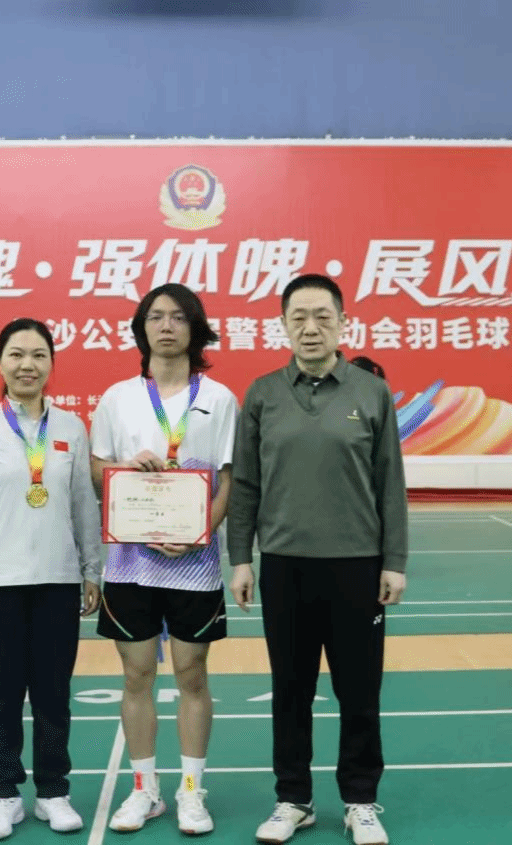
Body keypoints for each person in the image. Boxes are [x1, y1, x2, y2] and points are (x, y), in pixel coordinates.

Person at [226, 274, 409, 845]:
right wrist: (241, 558)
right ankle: (293, 799)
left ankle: (360, 800)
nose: (310, 328)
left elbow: (390, 483)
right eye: (298, 317)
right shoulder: (262, 394)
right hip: (285, 566)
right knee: (291, 689)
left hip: (358, 566)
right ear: (282, 325)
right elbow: (246, 482)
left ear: (343, 324)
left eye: (322, 317)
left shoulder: (371, 393)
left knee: (359, 692)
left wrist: (394, 560)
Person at [89, 283, 238, 836]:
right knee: (137, 676)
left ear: (195, 328)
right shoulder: (117, 398)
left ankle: (192, 792)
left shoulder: (220, 399)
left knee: (192, 674)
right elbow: (96, 471)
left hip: (195, 566)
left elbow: (232, 477)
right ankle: (144, 790)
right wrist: (126, 467)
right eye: (156, 317)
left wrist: (203, 531)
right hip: (130, 565)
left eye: (178, 317)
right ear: (142, 329)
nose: (167, 326)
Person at [0, 318, 103, 841]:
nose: (27, 365)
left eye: (38, 355)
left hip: (58, 581)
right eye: (16, 355)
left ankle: (54, 792)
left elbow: (83, 503)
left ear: (52, 363)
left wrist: (92, 570)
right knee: (2, 695)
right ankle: (5, 794)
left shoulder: (71, 427)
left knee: (54, 695)